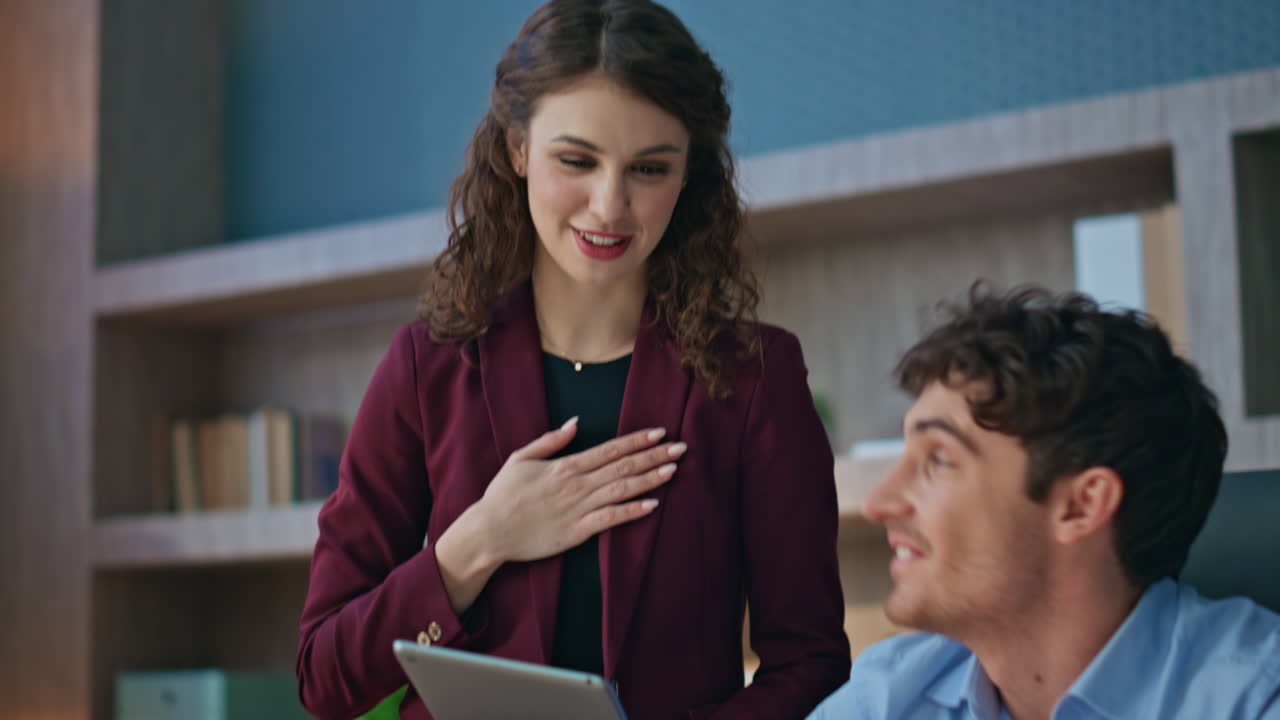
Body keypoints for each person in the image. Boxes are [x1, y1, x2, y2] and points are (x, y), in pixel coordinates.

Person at [295, 1, 851, 718]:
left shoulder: (756, 379)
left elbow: (810, 665)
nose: (609, 206)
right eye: (577, 161)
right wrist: (479, 542)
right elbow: (324, 677)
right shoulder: (424, 370)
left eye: (649, 168)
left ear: (689, 174)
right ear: (517, 149)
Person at [808, 284, 1280, 720]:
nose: (878, 504)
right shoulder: (890, 695)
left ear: (1081, 506)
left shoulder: (1254, 699)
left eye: (939, 460)